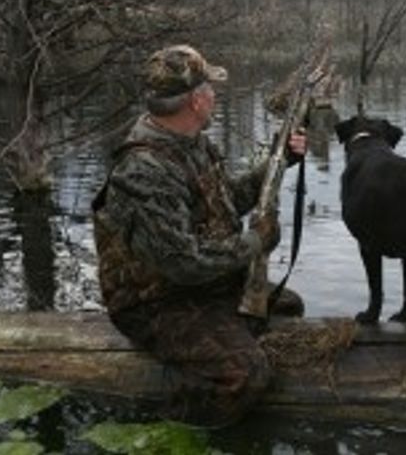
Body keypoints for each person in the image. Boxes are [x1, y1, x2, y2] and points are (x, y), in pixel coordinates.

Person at [91, 44, 306, 427]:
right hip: (157, 303)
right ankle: (166, 426)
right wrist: (256, 241)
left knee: (288, 306)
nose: (215, 96)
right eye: (211, 89)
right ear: (196, 101)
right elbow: (183, 264)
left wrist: (279, 160)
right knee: (246, 374)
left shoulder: (191, 142)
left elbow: (226, 201)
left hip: (203, 286)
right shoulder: (144, 170)